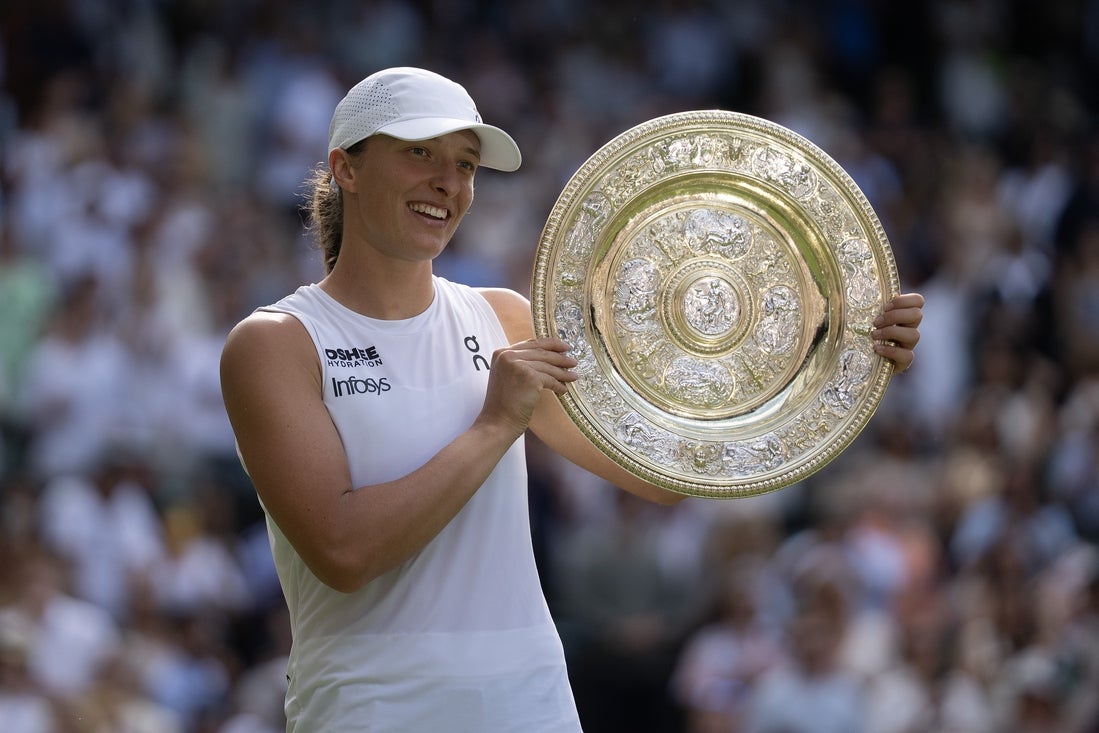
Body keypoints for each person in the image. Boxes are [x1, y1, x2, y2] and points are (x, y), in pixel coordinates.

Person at [219, 66, 926, 732]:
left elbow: (664, 474)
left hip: (532, 706)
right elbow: (343, 551)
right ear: (345, 167)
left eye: (465, 163)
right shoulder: (274, 344)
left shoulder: (502, 316)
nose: (447, 182)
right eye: (419, 153)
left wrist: (842, 354)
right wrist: (496, 424)